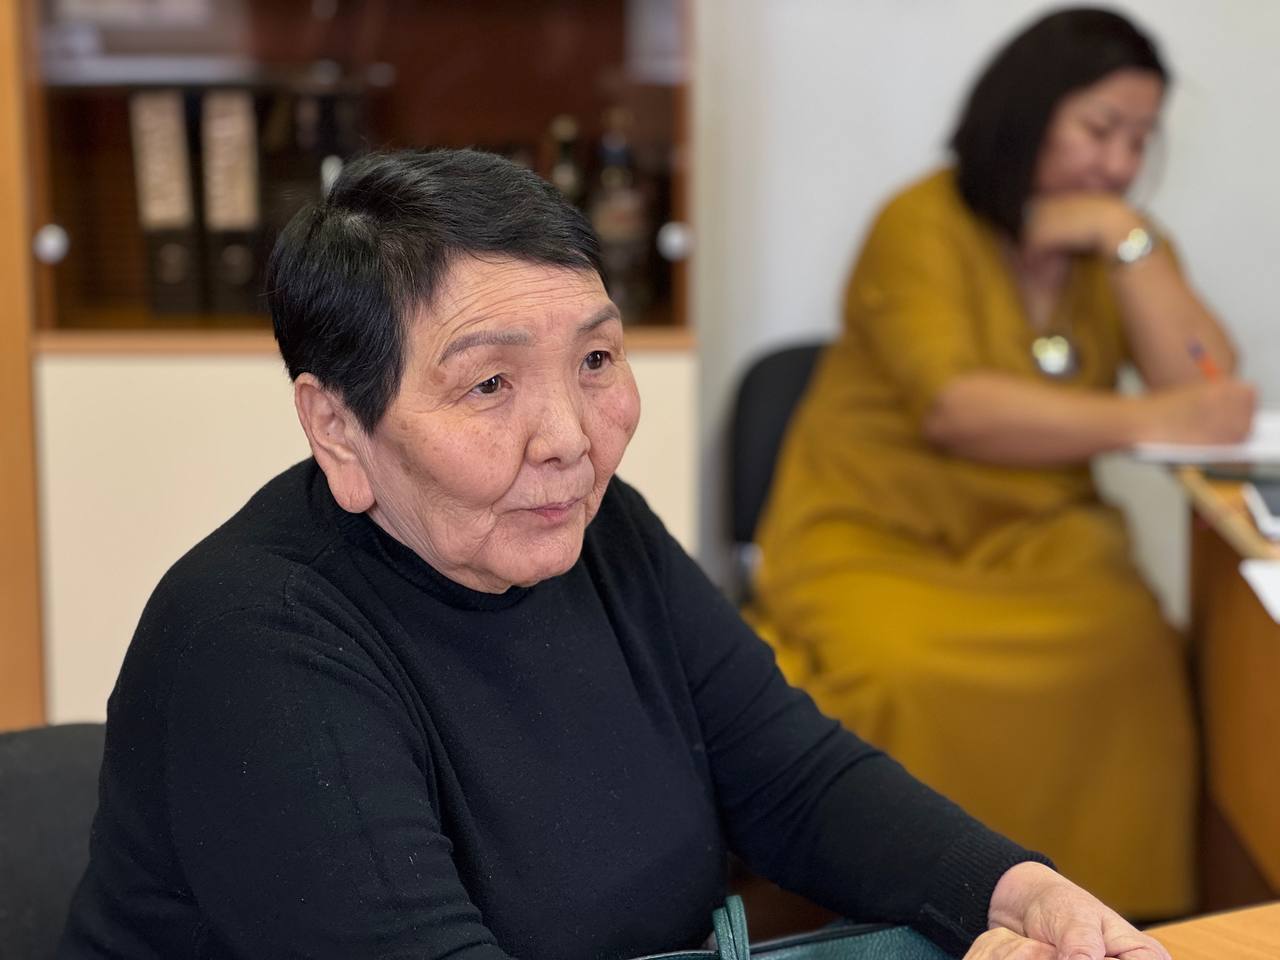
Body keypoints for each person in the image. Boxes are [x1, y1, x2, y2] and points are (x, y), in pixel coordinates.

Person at [59, 148, 1170, 960]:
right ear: (338, 429)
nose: (569, 439)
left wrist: (1022, 894)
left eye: (595, 360)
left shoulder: (594, 529)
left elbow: (793, 780)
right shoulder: (254, 646)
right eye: (490, 383)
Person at [750, 7, 1255, 922]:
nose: (1119, 161)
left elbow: (1208, 388)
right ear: (1028, 111)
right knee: (902, 673)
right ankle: (926, 918)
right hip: (877, 536)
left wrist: (1128, 238)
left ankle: (1113, 921)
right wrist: (1152, 419)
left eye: (1140, 139)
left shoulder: (1114, 241)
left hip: (1041, 539)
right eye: (1100, 129)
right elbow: (958, 410)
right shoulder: (920, 223)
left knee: (1135, 653)